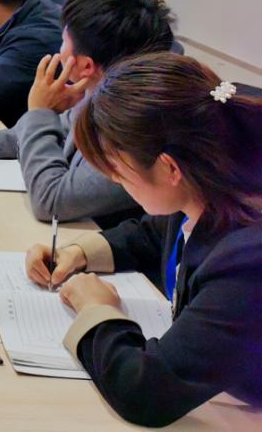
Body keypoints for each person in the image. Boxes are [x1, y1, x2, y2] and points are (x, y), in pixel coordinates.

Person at [22, 54, 262, 427]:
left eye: (116, 168)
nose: (114, 180)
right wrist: (78, 252)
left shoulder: (246, 259)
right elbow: (153, 236)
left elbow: (146, 392)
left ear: (169, 167)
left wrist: (95, 309)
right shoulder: (207, 187)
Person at [0, 0, 175, 226]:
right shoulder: (100, 91)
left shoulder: (135, 128)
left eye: (64, 42)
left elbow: (52, 201)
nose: (59, 50)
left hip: (97, 240)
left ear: (86, 66)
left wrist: (40, 111)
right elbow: (57, 129)